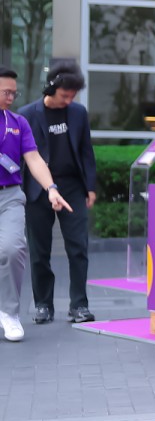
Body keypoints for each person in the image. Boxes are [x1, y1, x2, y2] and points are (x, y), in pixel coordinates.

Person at [19, 64, 98, 324]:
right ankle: (43, 305)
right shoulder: (27, 115)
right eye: (65, 95)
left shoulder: (78, 113)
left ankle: (79, 305)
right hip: (37, 189)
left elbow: (86, 152)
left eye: (73, 96)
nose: (69, 100)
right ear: (51, 88)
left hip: (72, 187)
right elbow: (23, 157)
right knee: (39, 251)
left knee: (78, 247)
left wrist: (90, 187)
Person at [0, 66, 74, 342]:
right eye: (6, 92)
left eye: (14, 93)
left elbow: (33, 158)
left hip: (9, 196)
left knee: (13, 249)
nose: (11, 97)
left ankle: (9, 313)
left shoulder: (18, 123)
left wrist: (51, 189)